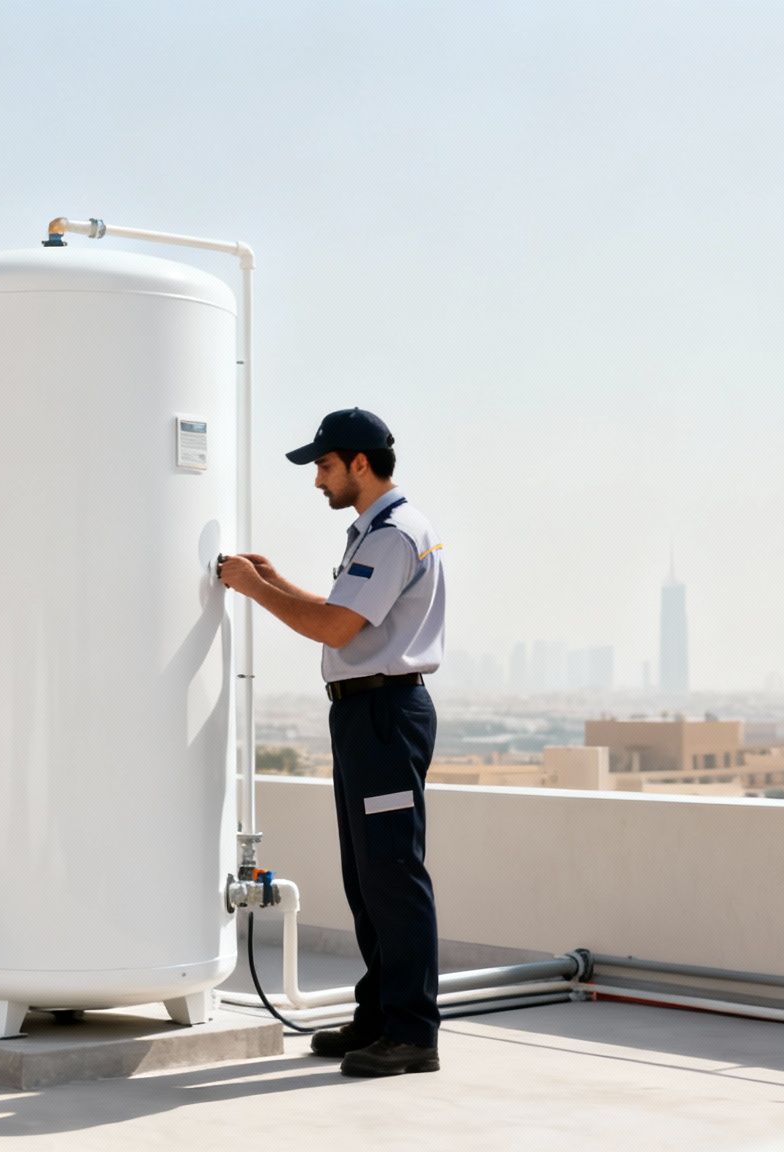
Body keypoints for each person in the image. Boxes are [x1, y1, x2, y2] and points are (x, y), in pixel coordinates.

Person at [217, 407, 446, 1078]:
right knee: (366, 875)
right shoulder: (373, 530)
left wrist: (256, 590)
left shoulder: (391, 534)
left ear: (359, 464)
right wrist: (275, 579)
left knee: (394, 877)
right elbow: (339, 610)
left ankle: (411, 1033)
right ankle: (380, 1014)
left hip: (384, 714)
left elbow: (339, 628)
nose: (317, 479)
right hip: (363, 716)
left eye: (323, 465)